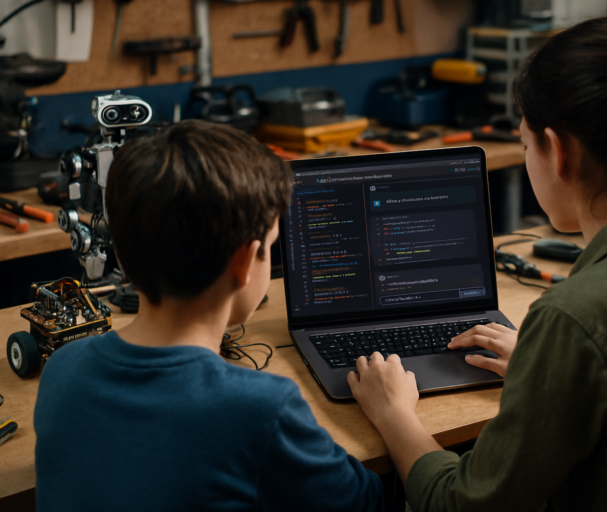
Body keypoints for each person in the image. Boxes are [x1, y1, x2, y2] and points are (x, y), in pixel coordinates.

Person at [348, 16, 607, 511]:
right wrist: (542, 366)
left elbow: (463, 504)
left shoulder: (578, 314)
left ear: (560, 151)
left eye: (526, 143)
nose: (526, 157)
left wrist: (394, 413)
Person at [34, 120, 383, 511]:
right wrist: (394, 413)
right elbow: (366, 503)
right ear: (245, 263)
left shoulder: (63, 371)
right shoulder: (261, 408)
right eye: (271, 245)